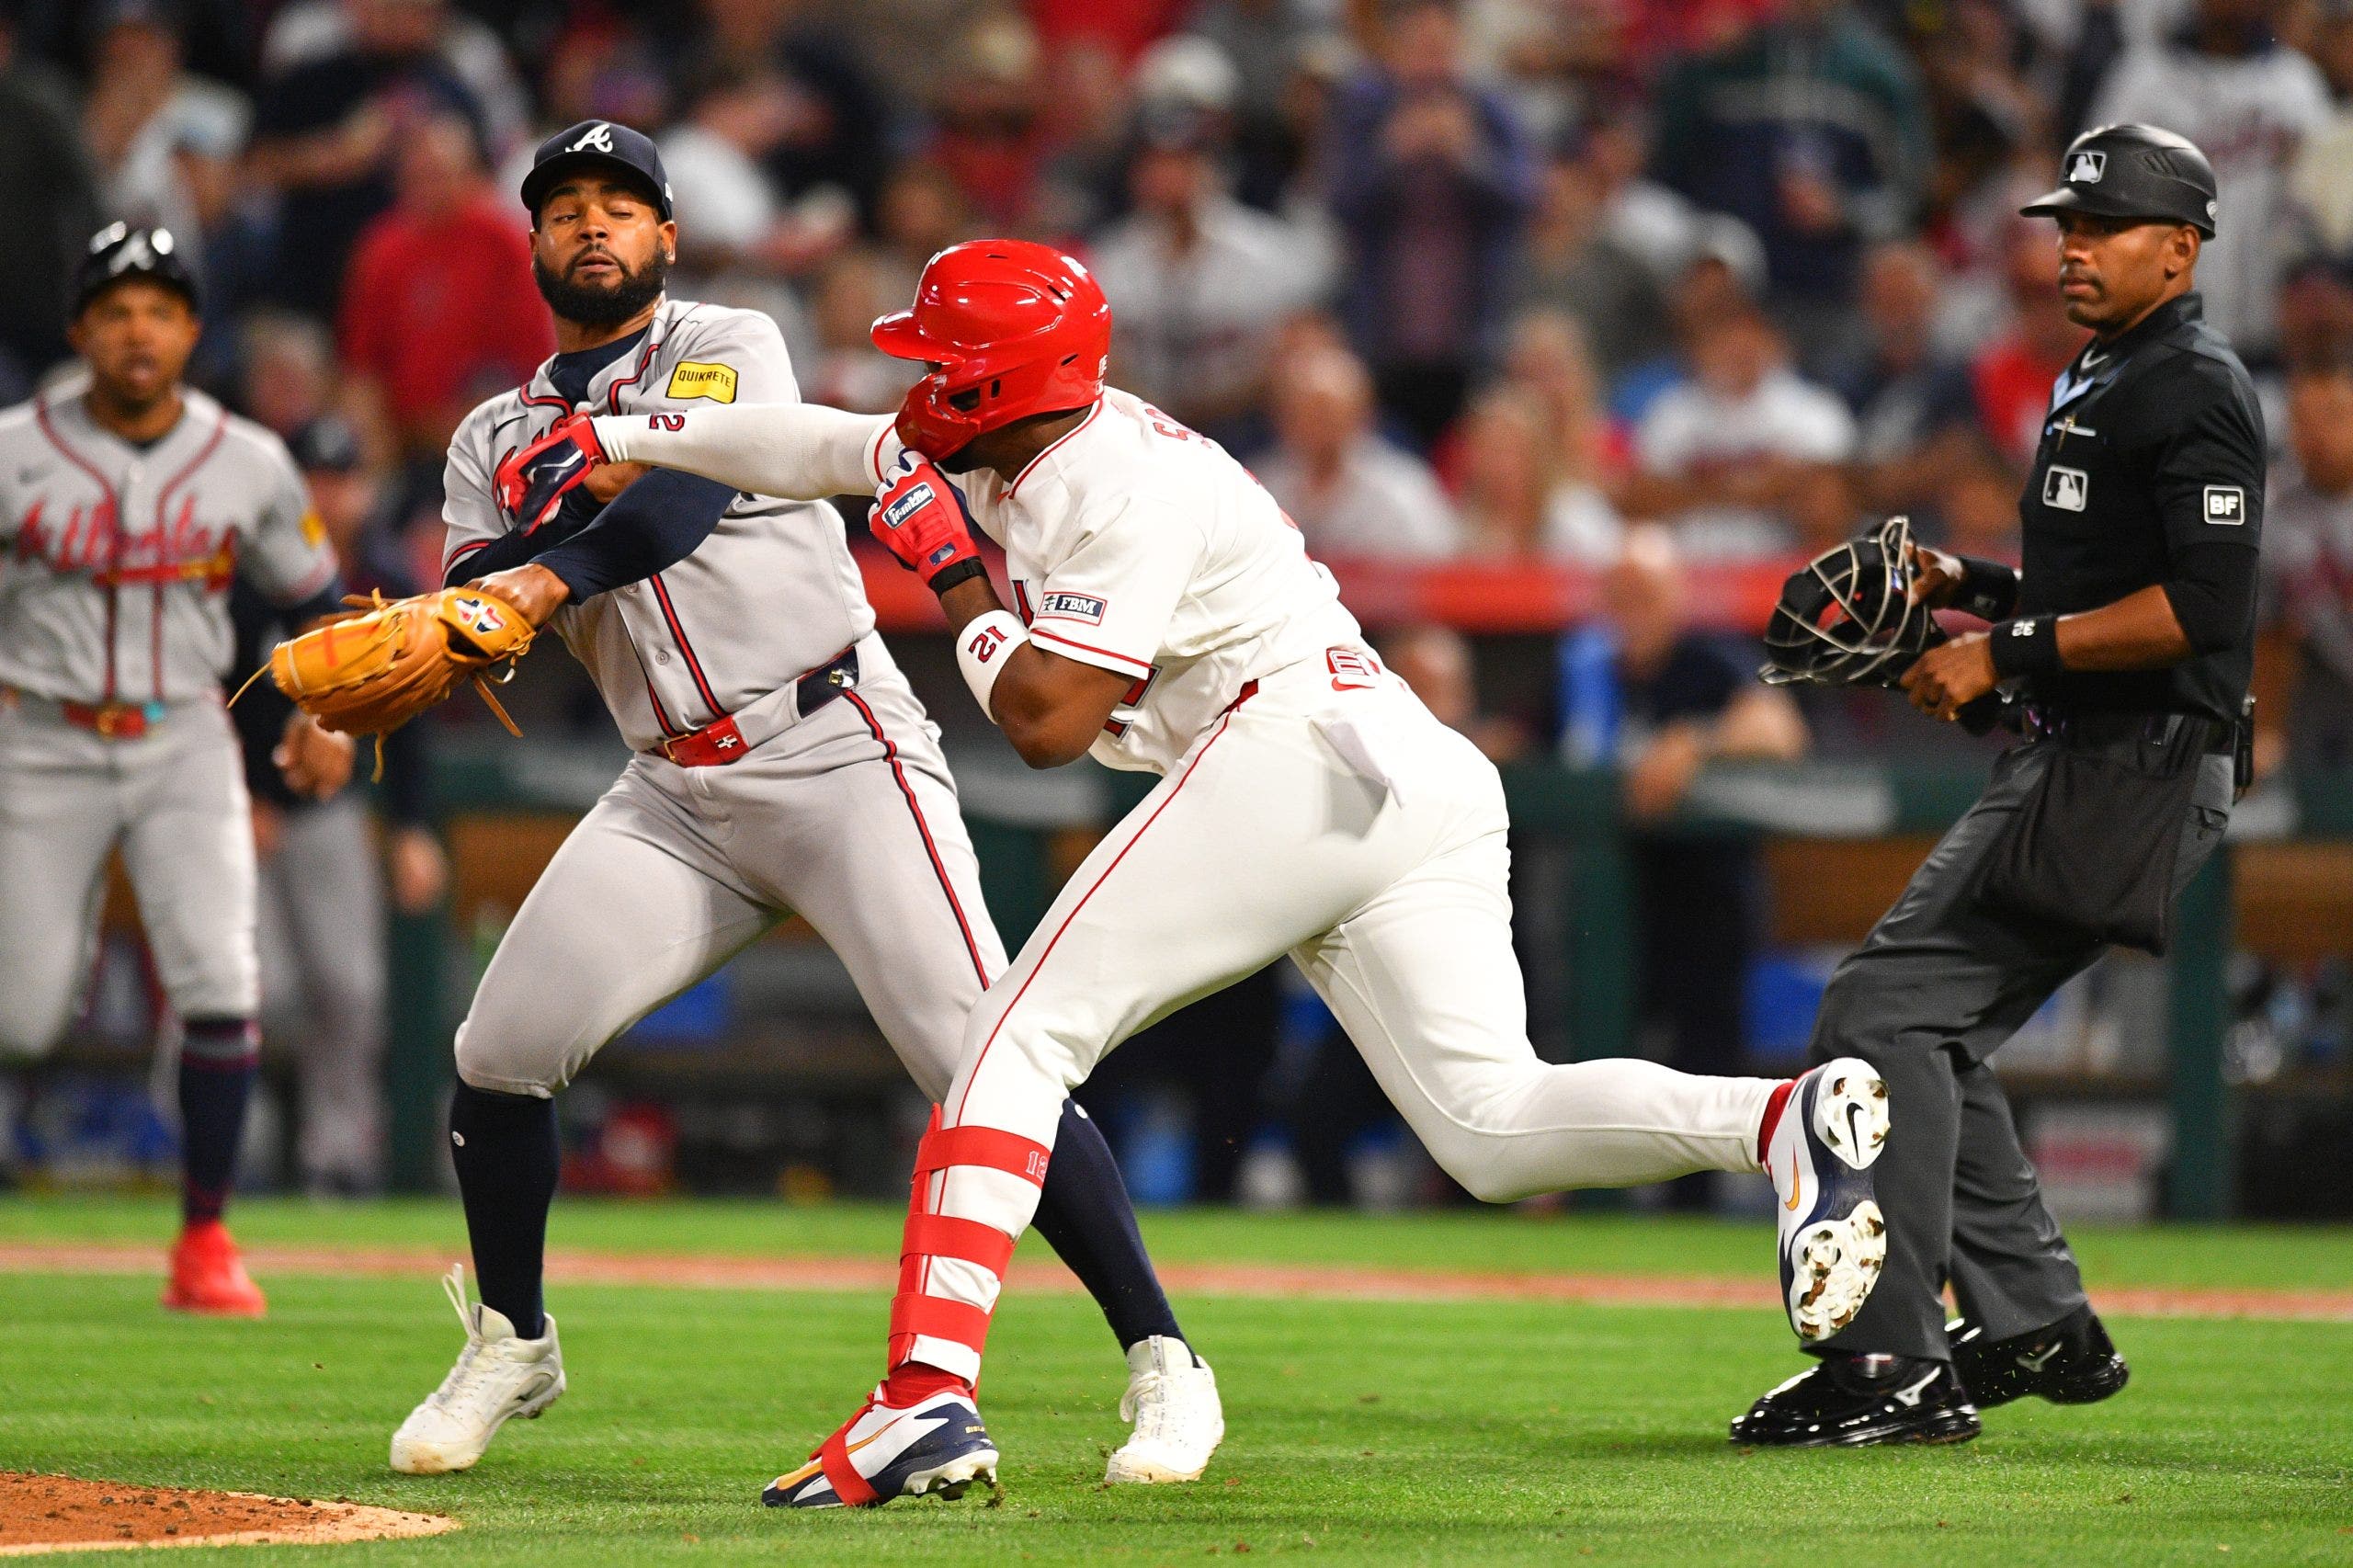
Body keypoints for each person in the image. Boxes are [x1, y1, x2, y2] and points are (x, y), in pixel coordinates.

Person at [523, 237, 1903, 1507]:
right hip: (1395, 769)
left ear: (1002, 378)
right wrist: (622, 432)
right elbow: (826, 441)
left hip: (1291, 748)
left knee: (1011, 1039)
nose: (921, 381)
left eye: (942, 360)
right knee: (1492, 1125)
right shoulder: (1025, 431)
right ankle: (1782, 1122)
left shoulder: (1112, 483)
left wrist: (953, 580)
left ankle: (924, 1395)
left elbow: (1046, 722)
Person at [384, 123, 1219, 1488]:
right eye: (565, 205)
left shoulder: (728, 342)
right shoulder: (489, 433)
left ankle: (1163, 1355)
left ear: (666, 235)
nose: (592, 224)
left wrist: (534, 572)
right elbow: (482, 597)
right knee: (500, 1049)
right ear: (531, 241)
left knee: (984, 1060)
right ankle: (514, 1338)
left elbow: (673, 507)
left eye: (620, 205)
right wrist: (461, 621)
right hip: (671, 786)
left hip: (835, 746)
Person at [1734, 125, 2264, 1446]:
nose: (2072, 248)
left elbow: (2201, 609)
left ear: (2180, 248)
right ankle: (2034, 1323)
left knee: (1881, 1009)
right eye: (2066, 225)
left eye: (2104, 227)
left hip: (2132, 762)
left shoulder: (2195, 384)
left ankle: (1893, 1360)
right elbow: (2098, 588)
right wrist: (1965, 585)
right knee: (1918, 1019)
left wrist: (2001, 653)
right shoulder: (2106, 369)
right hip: (2086, 751)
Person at [0, 224, 353, 1314]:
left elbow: (315, 601)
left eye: (159, 310)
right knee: (19, 1014)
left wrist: (328, 710)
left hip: (183, 735)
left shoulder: (247, 457)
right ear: (81, 331)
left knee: (220, 976)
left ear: (192, 331)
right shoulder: (13, 447)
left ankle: (205, 1237)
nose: (138, 331)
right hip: (42, 734)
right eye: (116, 311)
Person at [1558, 527, 1807, 1208]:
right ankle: (1592, 1212)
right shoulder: (1587, 670)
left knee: (1703, 1072)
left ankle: (1690, 1213)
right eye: (1620, 593)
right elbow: (1527, 743)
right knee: (1593, 1069)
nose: (1632, 608)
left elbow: (1781, 732)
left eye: (1647, 592)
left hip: (1705, 905)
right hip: (1610, 914)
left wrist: (1693, 741)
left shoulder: (1709, 663)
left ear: (1676, 598)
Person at [229, 416, 443, 1195]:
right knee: (247, 990)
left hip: (327, 808)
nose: (327, 496)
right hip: (236, 811)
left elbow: (410, 717)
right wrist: (240, 794)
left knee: (350, 990)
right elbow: (209, 689)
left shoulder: (385, 581)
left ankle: (338, 1159)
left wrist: (411, 827)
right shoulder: (247, 574)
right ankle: (222, 1147)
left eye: (340, 479)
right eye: (313, 480)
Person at [1253, 343, 1461, 557]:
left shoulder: (1404, 490)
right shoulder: (1260, 487)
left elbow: (1438, 564)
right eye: (1303, 412)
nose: (1316, 424)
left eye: (1327, 412)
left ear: (1363, 414)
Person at [2264, 351, 2353, 765]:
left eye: (2333, 416)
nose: (2317, 434)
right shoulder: (2272, 513)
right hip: (2323, 707)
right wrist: (2266, 729)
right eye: (2303, 419)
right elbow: (2268, 633)